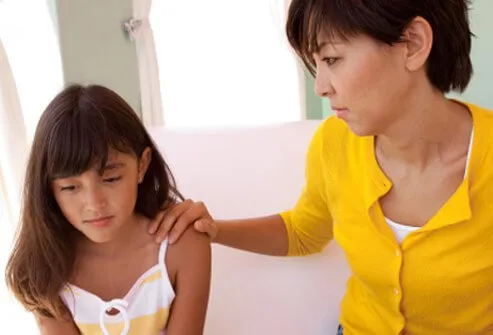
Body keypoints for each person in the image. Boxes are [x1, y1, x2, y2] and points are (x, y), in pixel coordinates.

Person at [146, 0, 493, 334]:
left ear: (413, 43)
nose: (321, 87)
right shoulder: (335, 143)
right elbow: (303, 232)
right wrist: (214, 230)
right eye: (317, 64)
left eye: (332, 58)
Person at [5, 84, 211, 335]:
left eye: (111, 179)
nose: (95, 203)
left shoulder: (183, 245)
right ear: (48, 190)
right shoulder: (45, 267)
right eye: (70, 187)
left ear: (142, 166)